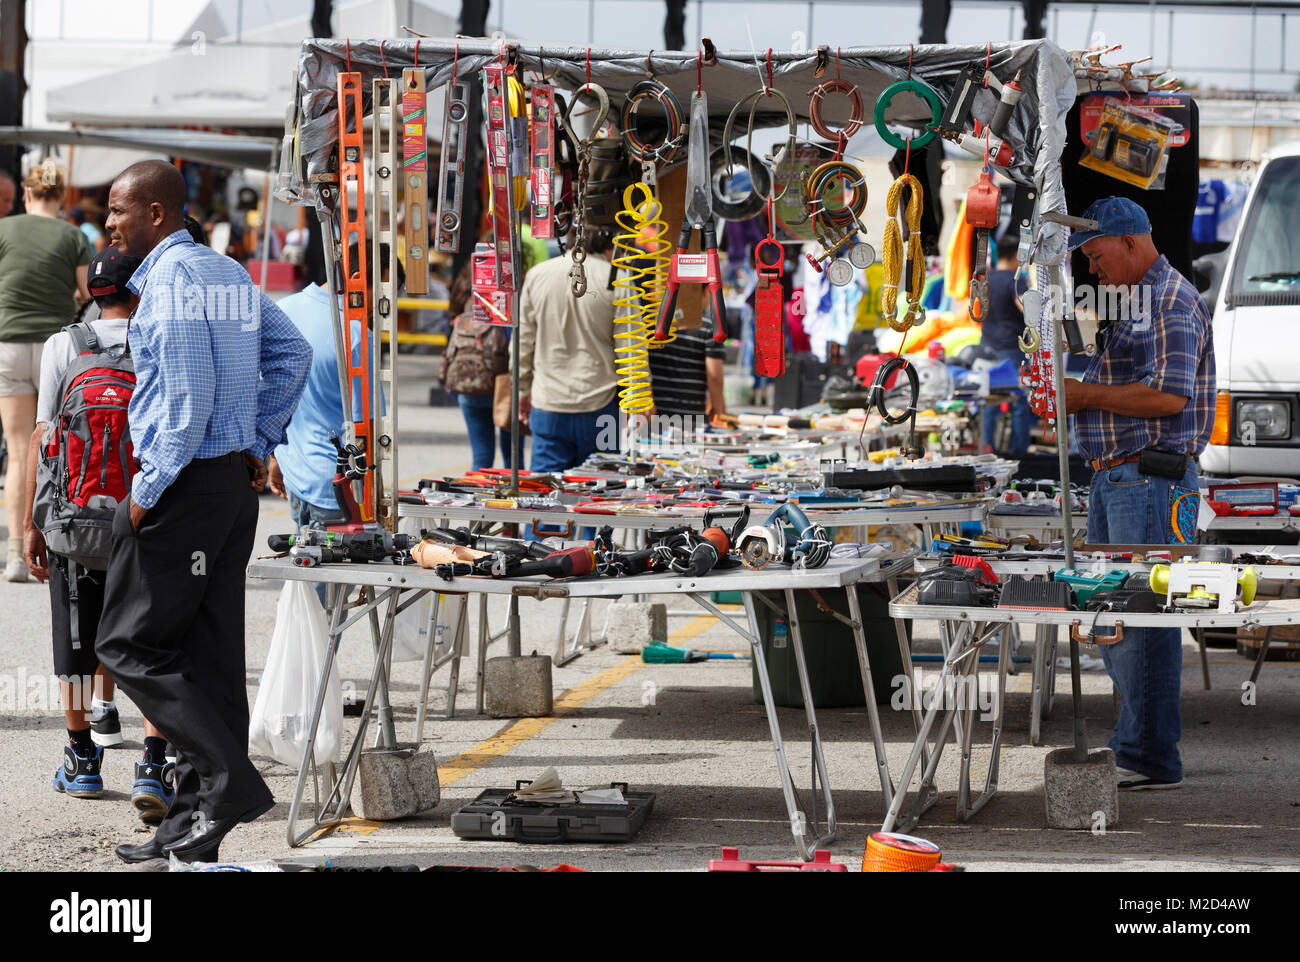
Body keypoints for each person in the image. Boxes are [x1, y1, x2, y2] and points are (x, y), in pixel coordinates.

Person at [92, 160, 311, 864]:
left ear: (156, 214)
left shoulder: (177, 281)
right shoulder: (224, 273)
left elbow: (183, 407)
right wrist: (256, 438)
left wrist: (142, 496)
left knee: (126, 645)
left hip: (182, 487)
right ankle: (190, 830)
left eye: (118, 209)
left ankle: (230, 784)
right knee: (206, 657)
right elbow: (291, 353)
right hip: (224, 490)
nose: (108, 222)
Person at [1063, 196, 1215, 792]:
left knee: (1142, 621)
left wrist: (1082, 396)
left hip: (1149, 480)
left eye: (1097, 258)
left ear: (1131, 243)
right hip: (1122, 476)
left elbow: (1169, 396)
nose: (1094, 271)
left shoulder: (1173, 301)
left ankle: (1149, 755)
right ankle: (1138, 745)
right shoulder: (1134, 299)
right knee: (1122, 620)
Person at [22, 245, 175, 822]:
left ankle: (83, 758)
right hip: (141, 518)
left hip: (75, 522)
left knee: (75, 641)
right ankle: (154, 765)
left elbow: (43, 437)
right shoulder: (157, 337)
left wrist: (34, 525)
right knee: (151, 641)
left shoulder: (65, 344)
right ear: (136, 292)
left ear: (92, 294)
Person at [0, 160, 92, 581]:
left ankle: (16, 555)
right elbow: (90, 294)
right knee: (55, 446)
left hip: (9, 345)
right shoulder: (74, 235)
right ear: (61, 197)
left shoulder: (5, 229)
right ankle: (59, 543)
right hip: (58, 347)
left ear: (27, 194)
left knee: (18, 449)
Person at [517, 233, 620, 471]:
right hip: (601, 405)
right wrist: (642, 399)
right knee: (601, 495)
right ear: (608, 247)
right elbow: (630, 351)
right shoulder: (618, 280)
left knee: (545, 498)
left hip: (549, 404)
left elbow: (523, 341)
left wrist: (522, 390)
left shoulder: (536, 275)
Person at [442, 262, 512, 469]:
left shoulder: (464, 291)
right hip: (504, 388)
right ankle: (514, 500)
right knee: (512, 460)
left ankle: (478, 500)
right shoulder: (507, 297)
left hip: (469, 385)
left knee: (481, 458)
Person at [976, 235, 1032, 456]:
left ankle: (987, 446)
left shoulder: (985, 279)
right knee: (1018, 399)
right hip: (1011, 347)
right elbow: (1025, 307)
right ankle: (1020, 451)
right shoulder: (1014, 280)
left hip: (987, 346)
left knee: (988, 399)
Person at [647, 324, 726, 433]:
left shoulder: (649, 321)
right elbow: (714, 377)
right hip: (691, 416)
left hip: (654, 414)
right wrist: (718, 412)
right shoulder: (708, 327)